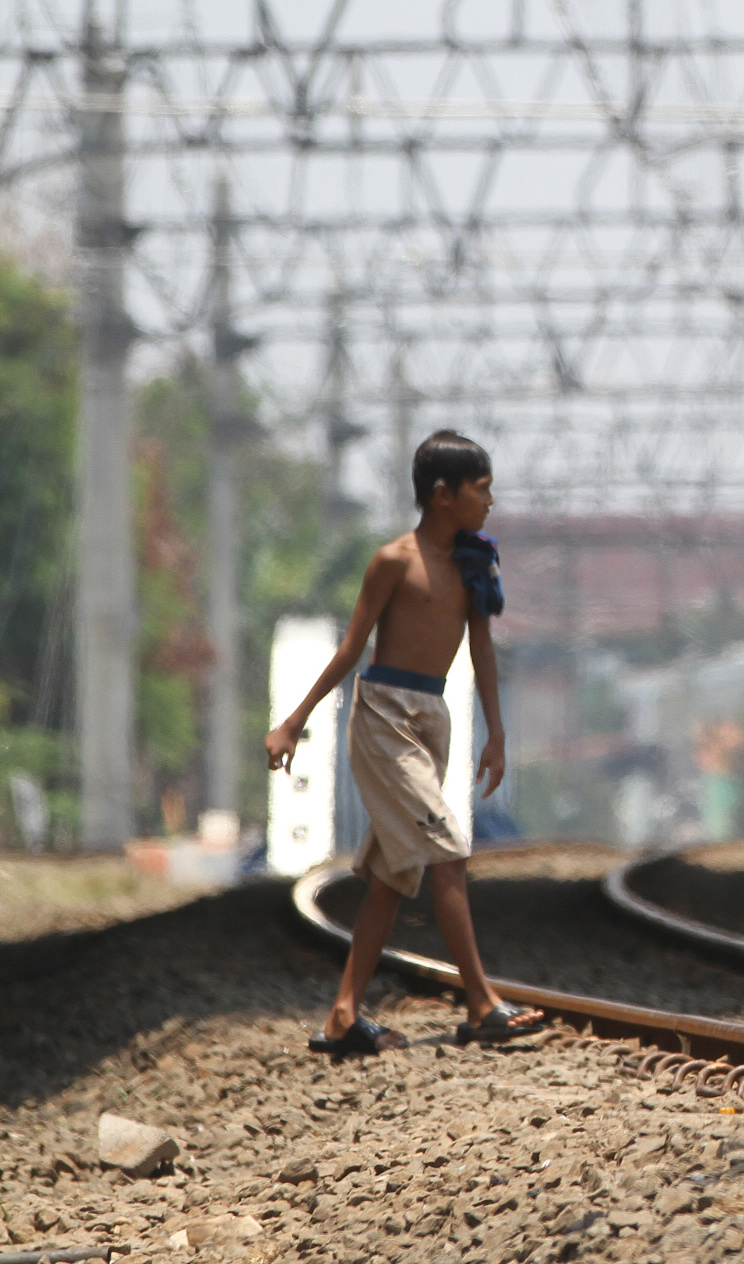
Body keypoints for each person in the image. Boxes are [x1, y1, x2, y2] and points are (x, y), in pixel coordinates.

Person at [267, 430, 544, 1054]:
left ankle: (343, 1015)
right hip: (384, 714)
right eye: (482, 490)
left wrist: (496, 732)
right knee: (446, 848)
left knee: (393, 874)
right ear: (442, 495)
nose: (490, 502)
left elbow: (481, 649)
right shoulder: (393, 560)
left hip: (432, 716)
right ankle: (480, 1003)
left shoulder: (474, 564)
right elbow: (350, 647)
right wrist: (295, 721)